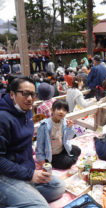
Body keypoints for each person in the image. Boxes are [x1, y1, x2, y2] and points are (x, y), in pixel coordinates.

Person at [0, 77, 65, 207]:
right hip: (4, 174)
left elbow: (25, 143)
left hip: (24, 169)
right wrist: (30, 175)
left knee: (59, 187)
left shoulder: (27, 111)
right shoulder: (3, 118)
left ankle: (22, 195)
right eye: (24, 93)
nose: (29, 98)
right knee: (40, 206)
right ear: (12, 94)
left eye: (32, 94)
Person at [36, 100, 81, 170]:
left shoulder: (64, 122)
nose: (61, 112)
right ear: (52, 110)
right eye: (59, 109)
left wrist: (70, 128)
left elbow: (69, 137)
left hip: (62, 148)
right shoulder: (45, 126)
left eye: (64, 110)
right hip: (52, 154)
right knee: (66, 163)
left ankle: (68, 157)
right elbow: (39, 145)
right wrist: (42, 160)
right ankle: (69, 158)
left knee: (77, 150)